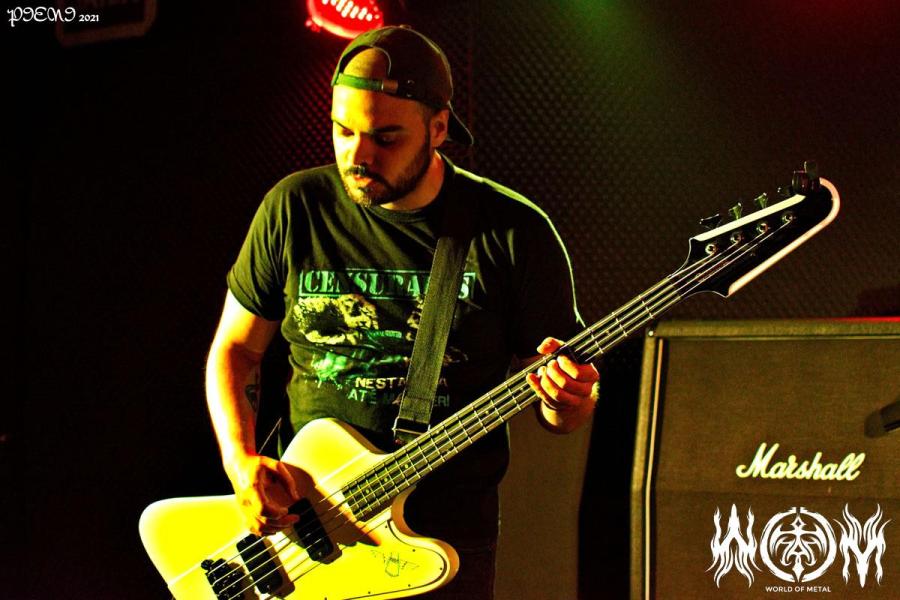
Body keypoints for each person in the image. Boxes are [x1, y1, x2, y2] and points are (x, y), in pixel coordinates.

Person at [205, 25, 598, 599]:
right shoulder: (294, 207)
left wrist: (570, 399)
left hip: (443, 543)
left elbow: (566, 412)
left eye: (386, 137)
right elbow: (237, 349)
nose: (358, 156)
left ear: (438, 128)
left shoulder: (513, 232)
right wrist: (240, 462)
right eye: (343, 130)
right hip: (303, 537)